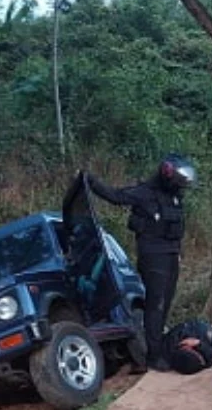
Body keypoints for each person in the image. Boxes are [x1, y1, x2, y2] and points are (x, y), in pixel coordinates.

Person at [83, 154, 197, 371]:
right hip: (153, 256)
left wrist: (179, 252)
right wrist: (90, 180)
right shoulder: (144, 193)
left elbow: (176, 227)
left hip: (171, 254)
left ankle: (158, 346)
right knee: (156, 305)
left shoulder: (174, 196)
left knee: (166, 302)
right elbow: (115, 196)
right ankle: (153, 357)